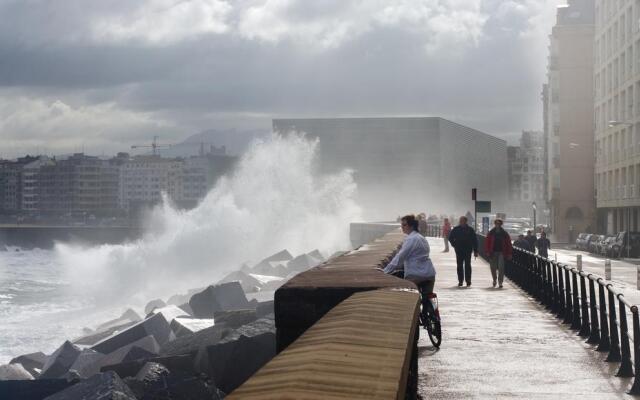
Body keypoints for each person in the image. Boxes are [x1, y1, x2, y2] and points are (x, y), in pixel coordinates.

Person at [383, 214, 436, 293]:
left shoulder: (411, 239)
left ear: (411, 226)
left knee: (406, 294)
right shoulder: (421, 237)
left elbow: (399, 258)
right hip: (429, 273)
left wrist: (385, 271)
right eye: (401, 225)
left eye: (404, 225)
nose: (402, 227)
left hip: (416, 274)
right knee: (427, 298)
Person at [448, 216, 478, 287]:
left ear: (465, 221)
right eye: (460, 221)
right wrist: (454, 245)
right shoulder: (456, 229)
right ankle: (460, 281)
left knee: (468, 265)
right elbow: (450, 238)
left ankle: (468, 281)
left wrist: (475, 250)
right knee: (459, 266)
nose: (461, 222)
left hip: (468, 250)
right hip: (459, 250)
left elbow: (475, 240)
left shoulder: (470, 230)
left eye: (462, 221)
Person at [484, 219, 513, 288]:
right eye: (496, 223)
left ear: (501, 224)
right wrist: (487, 251)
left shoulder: (504, 233)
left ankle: (500, 282)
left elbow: (509, 244)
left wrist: (509, 253)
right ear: (495, 224)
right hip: (492, 252)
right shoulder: (491, 233)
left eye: (499, 223)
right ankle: (494, 279)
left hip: (501, 253)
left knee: (501, 267)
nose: (497, 225)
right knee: (493, 268)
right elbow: (487, 243)